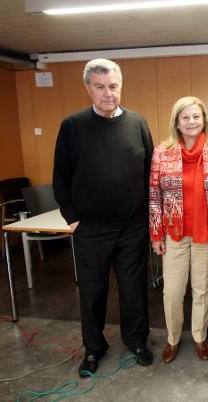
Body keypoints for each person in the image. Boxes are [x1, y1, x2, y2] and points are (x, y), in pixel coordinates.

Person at [53, 58, 154, 377]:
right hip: (91, 229)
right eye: (100, 87)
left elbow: (150, 174)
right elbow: (60, 176)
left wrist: (148, 220)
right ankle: (94, 349)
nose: (107, 93)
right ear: (88, 88)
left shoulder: (137, 123)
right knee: (92, 291)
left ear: (120, 86)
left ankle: (136, 340)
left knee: (133, 288)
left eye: (113, 86)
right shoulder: (73, 126)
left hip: (131, 227)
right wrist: (72, 218)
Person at [149, 96, 208, 363]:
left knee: (202, 289)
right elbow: (154, 196)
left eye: (196, 116)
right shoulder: (163, 151)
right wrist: (156, 234)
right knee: (172, 291)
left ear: (203, 119)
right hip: (174, 232)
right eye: (185, 117)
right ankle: (172, 339)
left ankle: (199, 337)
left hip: (207, 231)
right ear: (177, 122)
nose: (192, 122)